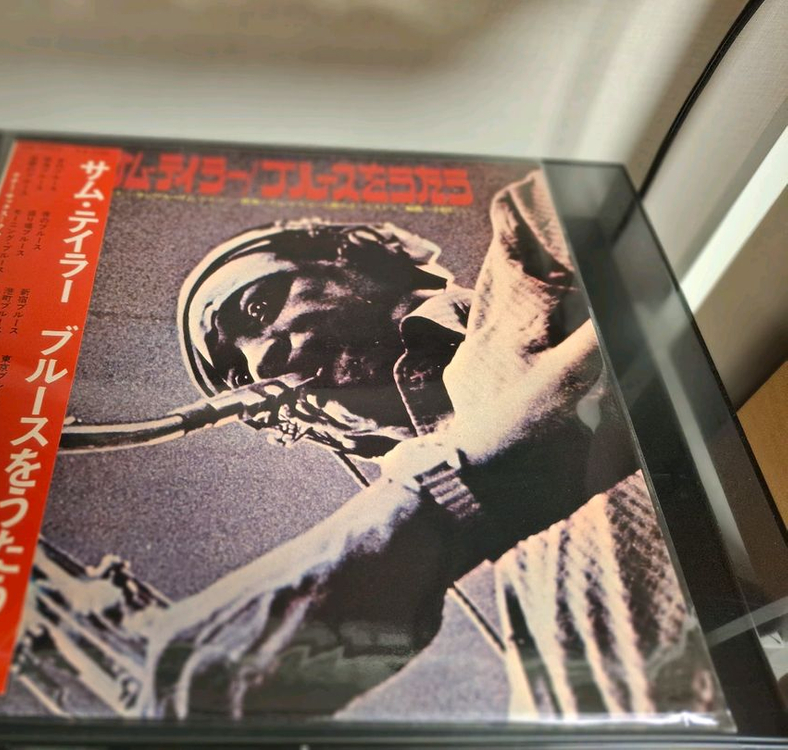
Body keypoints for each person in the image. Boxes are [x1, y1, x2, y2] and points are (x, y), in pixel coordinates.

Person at [134, 172, 720, 721]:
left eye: (259, 307)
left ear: (358, 252)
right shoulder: (519, 597)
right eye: (239, 377)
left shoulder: (527, 254)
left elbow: (695, 204)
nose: (262, 362)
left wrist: (432, 493)